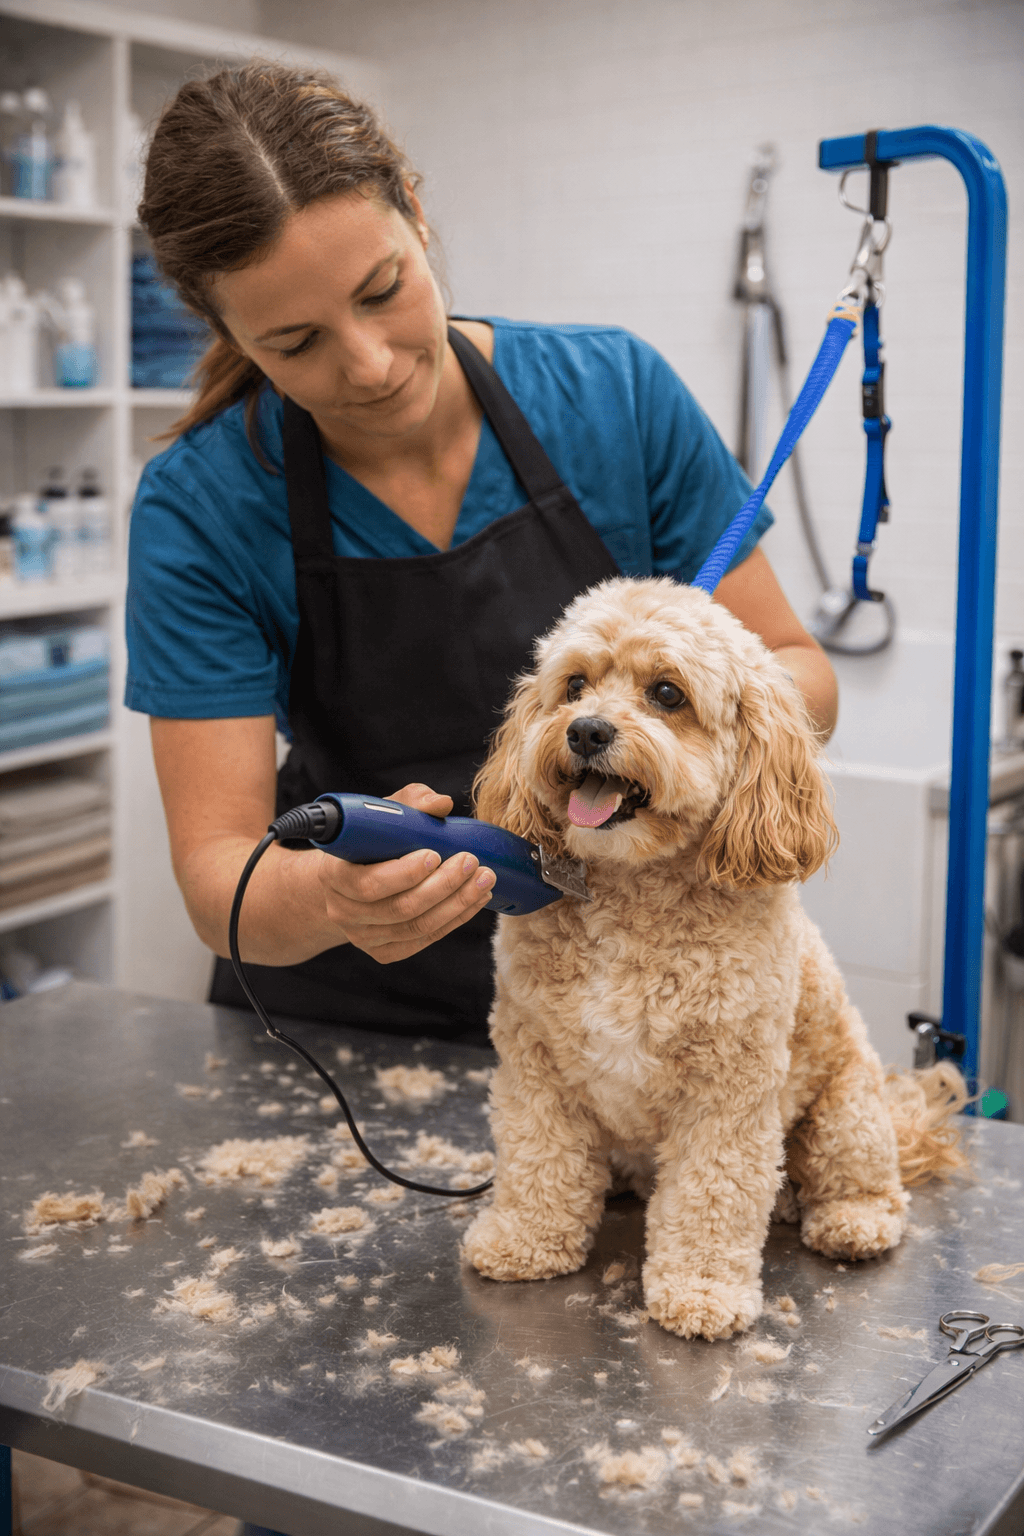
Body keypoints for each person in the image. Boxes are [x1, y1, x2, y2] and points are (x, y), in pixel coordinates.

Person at [127, 61, 838, 1055]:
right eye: (294, 343)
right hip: (349, 1024)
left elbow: (801, 671)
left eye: (383, 291)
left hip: (628, 1004)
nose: (369, 365)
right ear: (229, 333)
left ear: (414, 211)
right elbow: (220, 884)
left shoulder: (615, 398)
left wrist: (712, 741)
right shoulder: (203, 505)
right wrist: (334, 898)